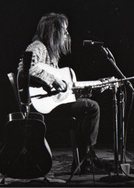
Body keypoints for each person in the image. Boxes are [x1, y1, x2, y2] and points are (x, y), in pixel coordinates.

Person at [17, 13, 101, 173]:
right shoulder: (37, 47)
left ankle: (85, 159)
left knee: (87, 104)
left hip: (51, 105)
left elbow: (60, 92)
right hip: (39, 109)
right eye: (64, 30)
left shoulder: (50, 52)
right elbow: (24, 72)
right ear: (53, 31)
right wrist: (53, 81)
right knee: (92, 108)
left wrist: (79, 90)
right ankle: (86, 159)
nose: (67, 35)